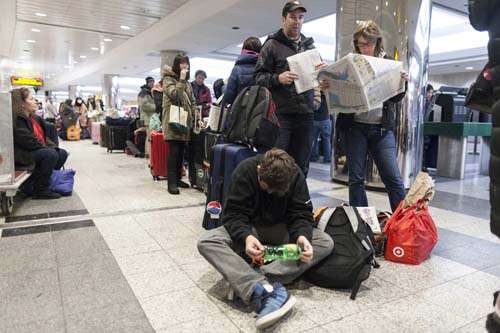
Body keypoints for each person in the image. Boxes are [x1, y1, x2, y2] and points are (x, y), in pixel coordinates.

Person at [198, 148, 334, 330]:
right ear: (259, 169)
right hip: (251, 227)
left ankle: (250, 282)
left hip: (282, 229)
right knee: (207, 242)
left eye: (275, 191)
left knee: (325, 242)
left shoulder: (295, 175)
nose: (269, 192)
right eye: (266, 187)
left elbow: (301, 213)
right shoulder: (245, 170)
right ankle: (264, 288)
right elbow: (233, 215)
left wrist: (302, 236)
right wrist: (246, 237)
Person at [321, 20, 408, 212]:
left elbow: (397, 98)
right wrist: (328, 86)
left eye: (368, 44)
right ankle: (361, 223)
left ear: (377, 42)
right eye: (360, 44)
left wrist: (403, 83)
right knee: (356, 178)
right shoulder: (351, 62)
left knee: (392, 178)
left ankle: (403, 223)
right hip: (355, 127)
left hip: (381, 128)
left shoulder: (388, 63)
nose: (364, 48)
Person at [254, 1, 319, 177]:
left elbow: (317, 80)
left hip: (306, 114)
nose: (297, 21)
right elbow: (257, 77)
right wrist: (278, 78)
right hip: (281, 115)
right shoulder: (271, 45)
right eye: (292, 17)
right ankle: (275, 203)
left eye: (300, 17)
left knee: (301, 165)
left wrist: (322, 79)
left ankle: (295, 203)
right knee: (277, 165)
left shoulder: (309, 47)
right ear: (284, 19)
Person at [12, 88, 68, 199]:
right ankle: (40, 189)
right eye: (31, 99)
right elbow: (28, 141)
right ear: (22, 104)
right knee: (50, 154)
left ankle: (33, 183)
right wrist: (48, 149)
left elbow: (44, 138)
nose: (35, 101)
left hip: (34, 150)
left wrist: (51, 147)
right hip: (23, 154)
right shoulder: (18, 120)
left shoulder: (34, 118)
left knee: (61, 153)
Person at [161, 54, 198, 195]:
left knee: (181, 152)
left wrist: (195, 115)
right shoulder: (168, 80)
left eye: (186, 64)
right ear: (177, 65)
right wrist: (181, 79)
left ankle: (177, 179)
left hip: (184, 121)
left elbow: (192, 101)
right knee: (174, 152)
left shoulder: (188, 83)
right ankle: (171, 183)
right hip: (172, 121)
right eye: (182, 64)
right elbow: (175, 94)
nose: (185, 66)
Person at [221, 36, 262, 109]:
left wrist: (224, 88)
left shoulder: (237, 69)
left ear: (243, 49)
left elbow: (228, 97)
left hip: (240, 113)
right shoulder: (264, 69)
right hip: (259, 112)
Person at [310, 92, 332, 163]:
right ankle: (327, 158)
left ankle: (313, 157)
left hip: (315, 119)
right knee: (327, 140)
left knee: (314, 140)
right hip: (325, 118)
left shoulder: (314, 93)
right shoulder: (327, 94)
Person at [138, 76, 157, 156]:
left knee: (149, 137)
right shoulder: (144, 93)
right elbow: (144, 105)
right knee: (150, 137)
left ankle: (149, 153)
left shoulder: (150, 92)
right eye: (151, 82)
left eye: (153, 82)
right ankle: (149, 154)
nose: (152, 83)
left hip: (151, 118)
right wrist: (156, 107)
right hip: (148, 118)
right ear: (147, 83)